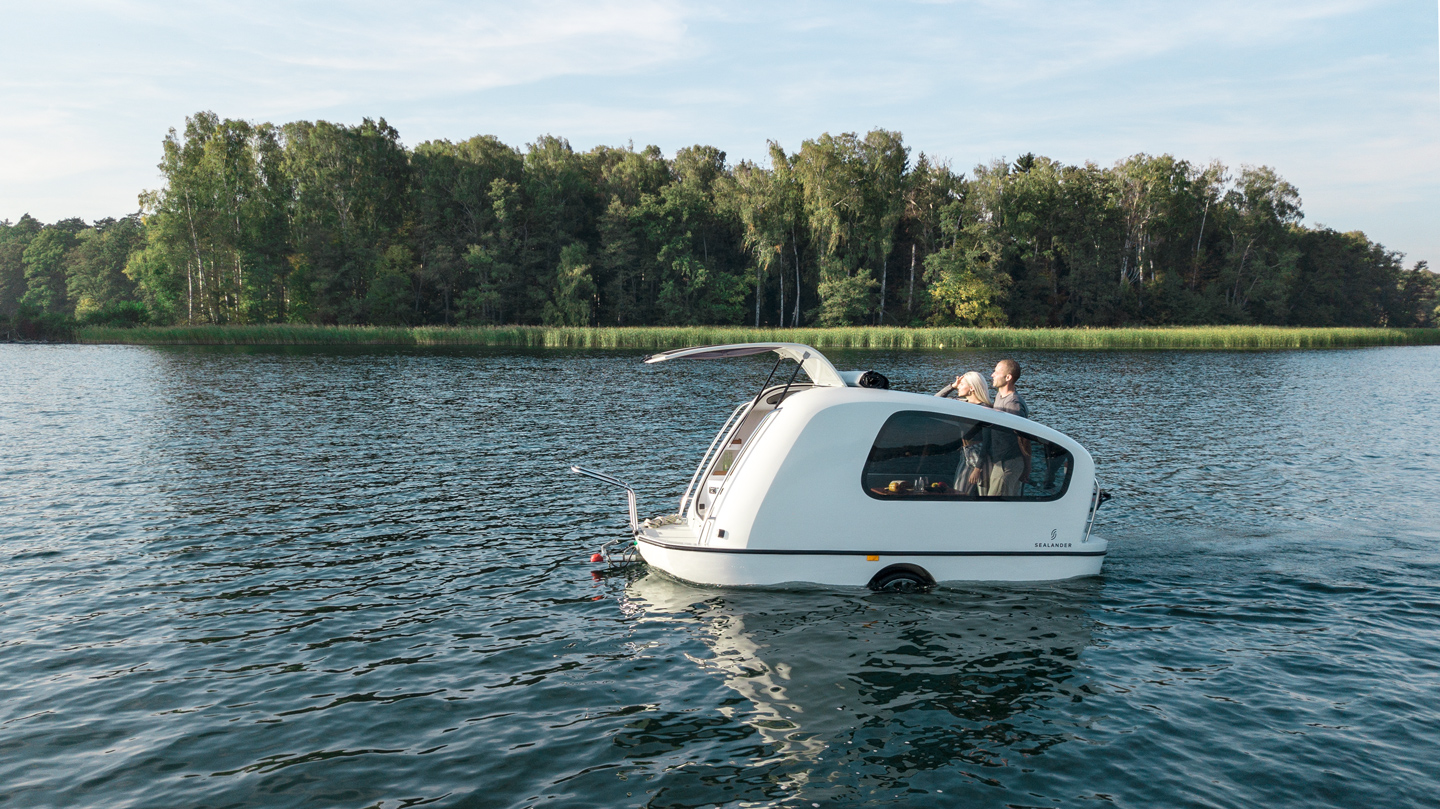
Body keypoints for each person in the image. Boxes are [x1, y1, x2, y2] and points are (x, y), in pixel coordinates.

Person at [937, 371, 993, 494]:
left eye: (962, 384)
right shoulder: (962, 404)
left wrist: (978, 468)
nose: (959, 387)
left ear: (972, 388)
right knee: (958, 493)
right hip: (966, 453)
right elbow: (936, 400)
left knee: (985, 496)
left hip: (981, 455)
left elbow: (987, 441)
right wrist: (952, 386)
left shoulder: (985, 409)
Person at [985, 359, 1030, 497]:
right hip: (1000, 463)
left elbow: (1024, 438)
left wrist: (1027, 467)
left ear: (1008, 377)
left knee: (995, 508)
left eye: (997, 372)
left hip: (1008, 465)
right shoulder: (999, 396)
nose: (992, 375)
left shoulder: (1013, 405)